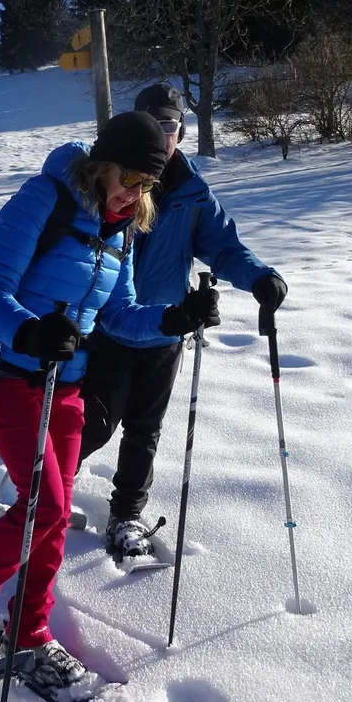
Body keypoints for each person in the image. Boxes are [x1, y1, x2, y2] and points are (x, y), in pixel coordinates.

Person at [0, 112, 220, 701]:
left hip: (65, 384)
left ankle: (29, 631)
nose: (135, 194)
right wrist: (30, 331)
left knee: (56, 512)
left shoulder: (121, 230)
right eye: (130, 178)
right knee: (43, 504)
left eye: (146, 185)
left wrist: (174, 318)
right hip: (8, 371)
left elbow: (119, 314)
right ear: (102, 164)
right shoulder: (43, 197)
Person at [78, 83, 288, 562]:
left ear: (182, 130)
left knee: (144, 430)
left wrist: (260, 277)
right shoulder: (112, 178)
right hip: (108, 328)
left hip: (167, 328)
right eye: (152, 123)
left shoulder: (192, 193)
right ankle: (48, 492)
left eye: (170, 125)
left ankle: (126, 514)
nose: (162, 133)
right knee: (94, 426)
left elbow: (225, 247)